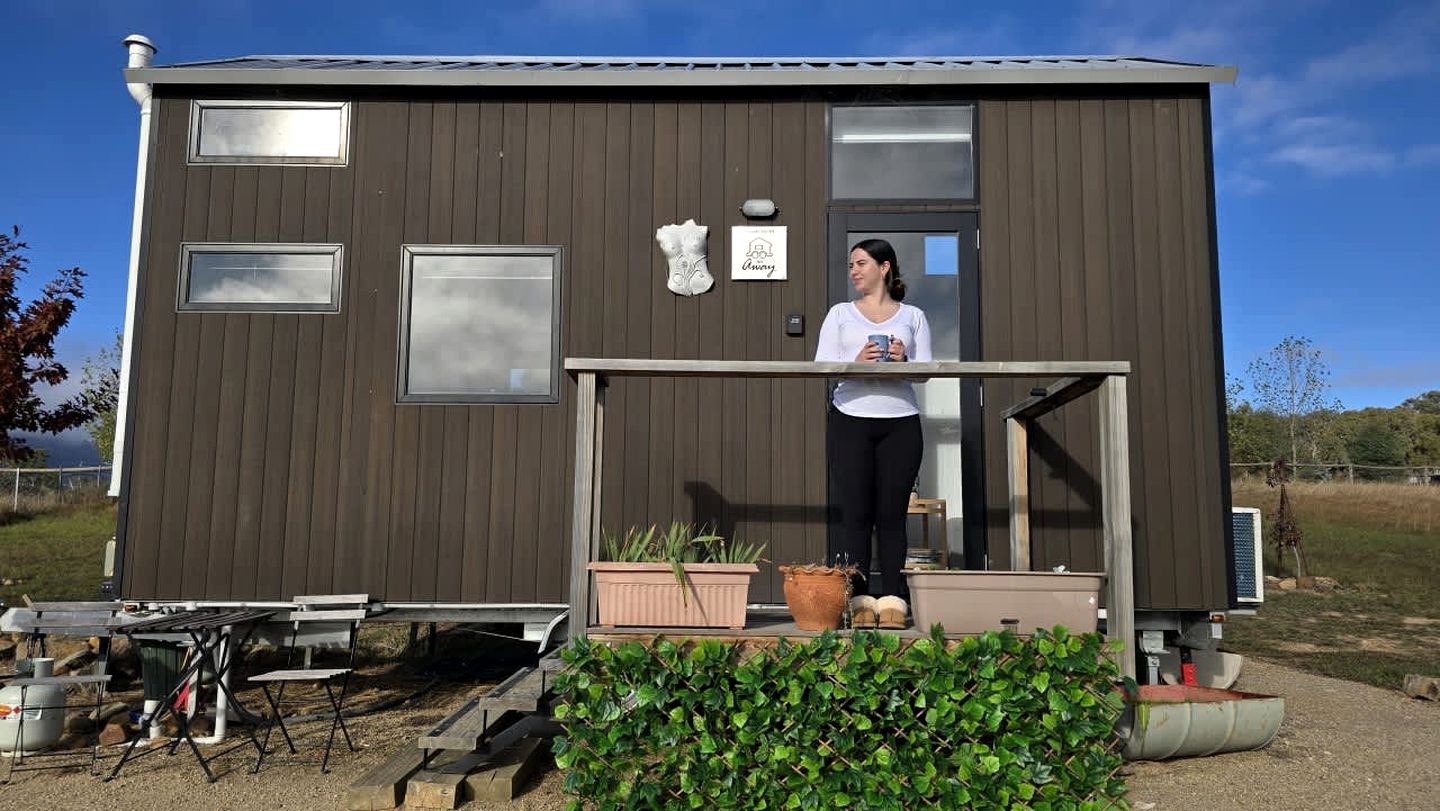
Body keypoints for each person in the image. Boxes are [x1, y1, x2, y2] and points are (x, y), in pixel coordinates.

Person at [814, 238, 932, 629]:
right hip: (851, 419)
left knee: (892, 515)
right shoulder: (840, 314)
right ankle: (861, 601)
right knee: (857, 515)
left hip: (901, 421)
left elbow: (929, 371)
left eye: (861, 263)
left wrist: (905, 360)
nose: (853, 271)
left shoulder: (913, 316)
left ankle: (895, 600)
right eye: (851, 265)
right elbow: (822, 367)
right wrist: (855, 361)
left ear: (885, 268)